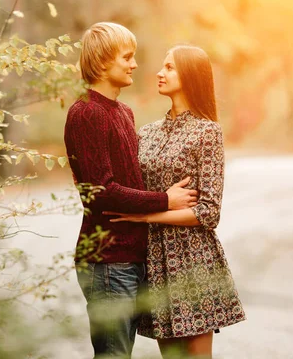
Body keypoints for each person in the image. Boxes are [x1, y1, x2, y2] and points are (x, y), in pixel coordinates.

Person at [64, 23, 198, 358]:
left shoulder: (124, 112)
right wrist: (165, 199)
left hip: (133, 257)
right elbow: (102, 191)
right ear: (103, 62)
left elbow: (131, 178)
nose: (135, 64)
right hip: (107, 259)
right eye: (127, 57)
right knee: (114, 354)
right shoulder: (86, 112)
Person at [105, 45, 246, 358]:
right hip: (153, 261)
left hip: (193, 260)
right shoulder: (147, 132)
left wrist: (146, 217)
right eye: (162, 66)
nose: (159, 72)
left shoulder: (207, 132)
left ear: (190, 75)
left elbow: (208, 213)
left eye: (169, 67)